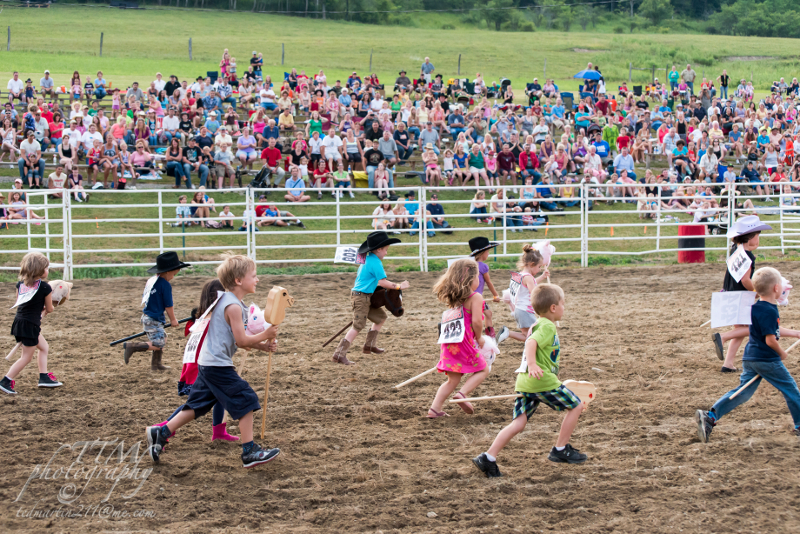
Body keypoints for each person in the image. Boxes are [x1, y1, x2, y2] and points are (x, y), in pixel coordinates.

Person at [146, 253, 281, 469]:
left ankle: (161, 432)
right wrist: (264, 336)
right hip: (217, 364)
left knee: (197, 406)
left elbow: (239, 341)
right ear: (239, 280)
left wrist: (262, 346)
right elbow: (241, 339)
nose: (257, 280)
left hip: (208, 363)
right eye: (253, 276)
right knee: (246, 399)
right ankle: (250, 452)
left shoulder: (231, 302)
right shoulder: (233, 306)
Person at [473, 283, 587, 478]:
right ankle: (560, 449)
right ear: (553, 308)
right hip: (540, 380)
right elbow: (532, 343)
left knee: (519, 423)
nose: (564, 307)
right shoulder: (548, 326)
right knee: (576, 406)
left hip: (525, 381)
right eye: (563, 304)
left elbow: (530, 340)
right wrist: (534, 364)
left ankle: (488, 457)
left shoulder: (537, 323)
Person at [697, 266, 800, 443]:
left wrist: (795, 333)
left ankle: (711, 416)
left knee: (742, 392)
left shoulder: (756, 307)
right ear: (776, 288)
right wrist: (781, 353)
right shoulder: (770, 310)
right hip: (767, 359)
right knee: (791, 390)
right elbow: (770, 340)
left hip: (750, 358)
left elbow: (772, 330)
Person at [150, 279, 240, 443]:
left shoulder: (203, 318)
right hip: (202, 367)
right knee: (194, 405)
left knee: (221, 396)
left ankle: (219, 431)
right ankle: (163, 429)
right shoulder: (214, 320)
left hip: (195, 365)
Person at [331, 231, 410, 365]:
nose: (386, 253)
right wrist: (399, 286)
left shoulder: (368, 259)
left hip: (364, 296)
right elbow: (383, 282)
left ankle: (369, 345)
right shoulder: (376, 263)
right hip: (361, 297)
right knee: (358, 326)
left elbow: (378, 282)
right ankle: (339, 354)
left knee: (380, 318)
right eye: (385, 250)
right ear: (379, 249)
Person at [427, 258, 490, 418]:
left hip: (449, 343)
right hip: (464, 342)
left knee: (451, 381)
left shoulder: (454, 298)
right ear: (471, 278)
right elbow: (476, 321)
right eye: (478, 278)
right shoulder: (476, 297)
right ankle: (462, 395)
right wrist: (480, 337)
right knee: (483, 369)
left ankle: (434, 409)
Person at [712, 216, 772, 373]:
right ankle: (723, 337)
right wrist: (756, 291)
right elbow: (746, 280)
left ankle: (728, 364)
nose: (758, 239)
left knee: (740, 329)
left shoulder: (736, 250)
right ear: (751, 237)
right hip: (741, 296)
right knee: (752, 328)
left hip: (730, 292)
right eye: (757, 235)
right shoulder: (748, 256)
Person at [0, 252, 61, 395]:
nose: (48, 270)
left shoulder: (20, 285)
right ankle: (6, 380)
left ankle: (44, 377)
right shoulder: (45, 288)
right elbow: (50, 308)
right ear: (40, 270)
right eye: (46, 267)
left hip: (19, 323)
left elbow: (20, 303)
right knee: (26, 358)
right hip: (31, 325)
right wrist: (50, 305)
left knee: (44, 347)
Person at [122, 251, 190, 371]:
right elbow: (168, 305)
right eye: (174, 274)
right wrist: (173, 320)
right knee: (158, 344)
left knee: (162, 339)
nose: (174, 277)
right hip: (153, 319)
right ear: (168, 271)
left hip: (149, 317)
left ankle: (156, 364)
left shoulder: (153, 281)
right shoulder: (165, 285)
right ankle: (132, 346)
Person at [500, 244, 550, 347]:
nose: (540, 269)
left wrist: (541, 277)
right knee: (534, 335)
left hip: (519, 310)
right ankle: (508, 333)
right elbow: (534, 293)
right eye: (539, 266)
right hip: (525, 311)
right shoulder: (529, 278)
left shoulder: (521, 275)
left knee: (527, 335)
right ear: (532, 264)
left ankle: (507, 333)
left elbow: (529, 285)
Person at [469, 237, 502, 339]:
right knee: (486, 314)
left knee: (485, 314)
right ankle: (490, 335)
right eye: (487, 251)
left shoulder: (469, 265)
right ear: (482, 253)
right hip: (478, 298)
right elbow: (488, 282)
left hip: (469, 296)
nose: (488, 254)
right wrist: (495, 295)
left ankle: (487, 335)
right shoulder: (483, 266)